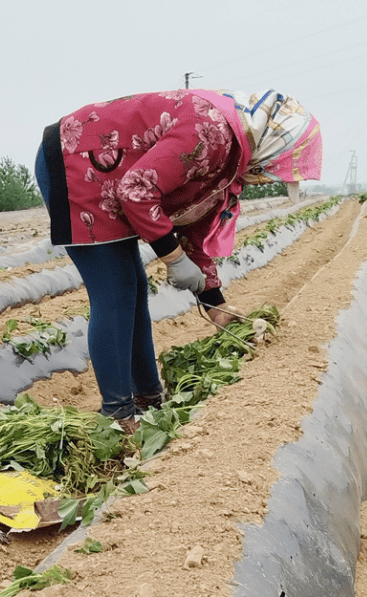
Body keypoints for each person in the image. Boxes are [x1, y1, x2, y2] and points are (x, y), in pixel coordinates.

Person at [35, 89, 322, 430]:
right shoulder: (213, 132)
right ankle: (118, 414)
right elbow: (136, 190)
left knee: (134, 287)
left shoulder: (232, 158)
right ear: (277, 146)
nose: (267, 176)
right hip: (77, 162)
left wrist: (216, 304)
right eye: (276, 168)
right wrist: (172, 257)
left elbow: (194, 228)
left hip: (109, 176)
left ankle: (148, 397)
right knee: (116, 289)